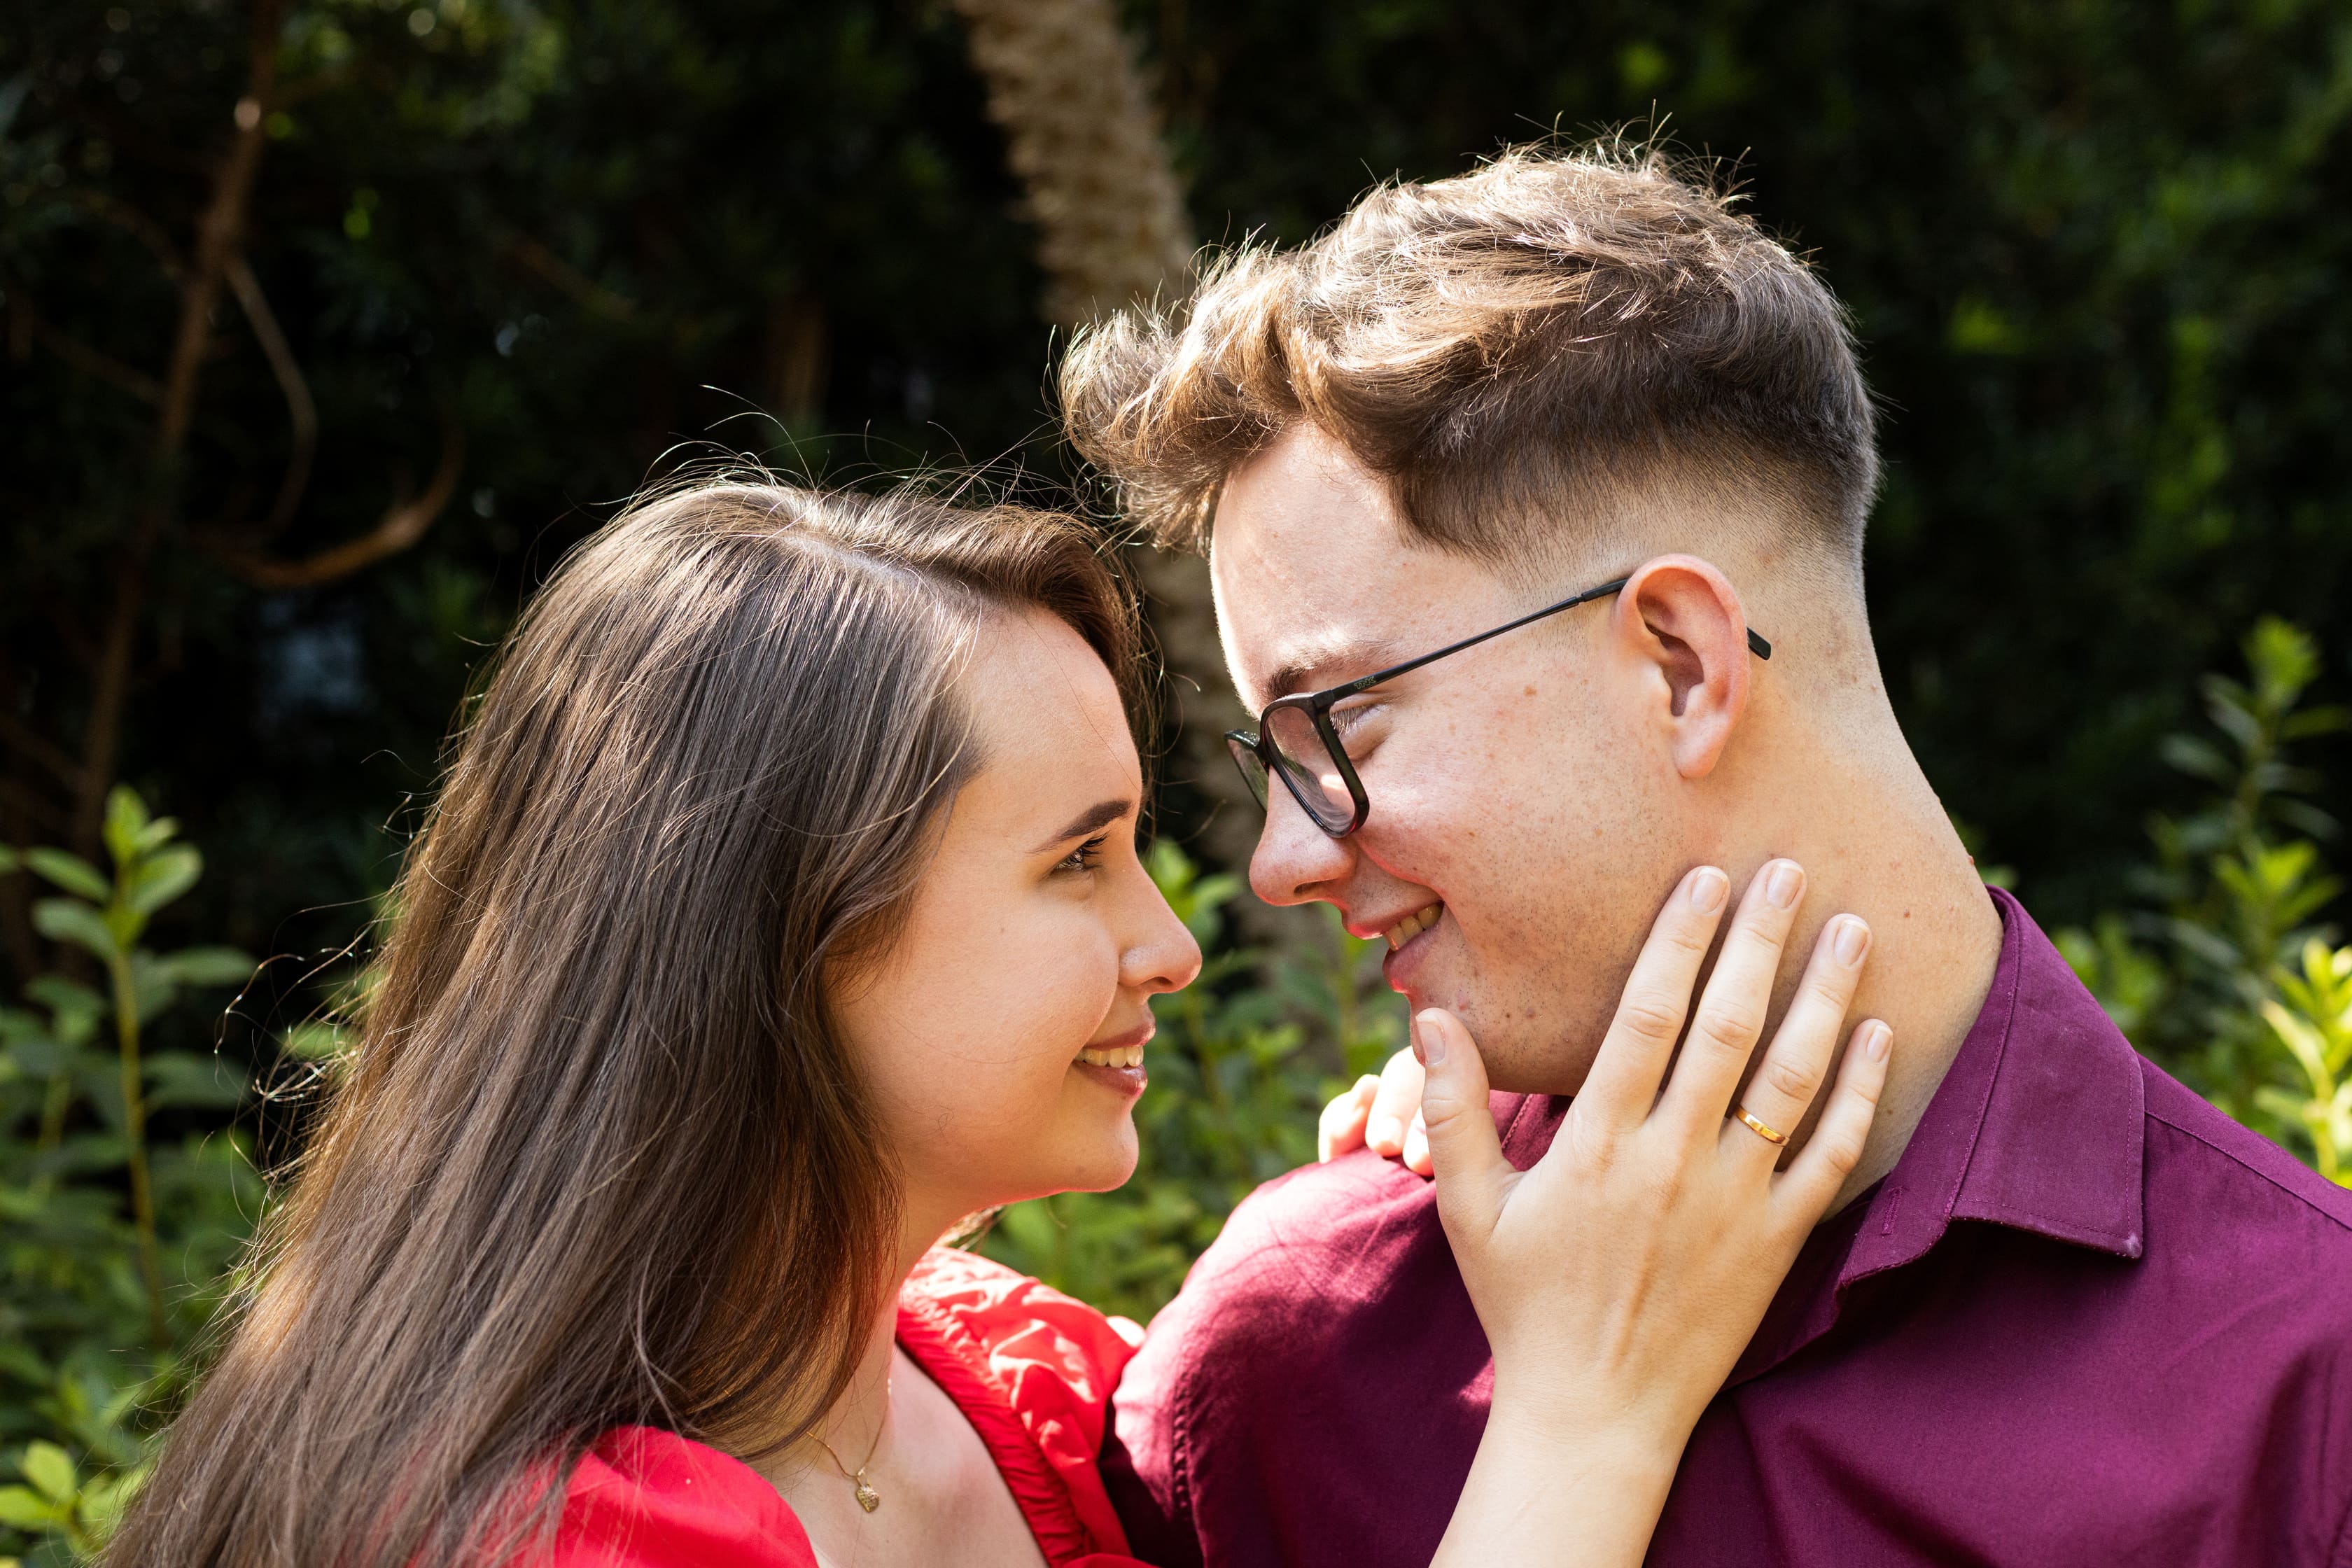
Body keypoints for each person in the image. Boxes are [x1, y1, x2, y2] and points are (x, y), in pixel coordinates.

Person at [103, 480, 1889, 1568]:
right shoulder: (528, 1532)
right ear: (790, 940)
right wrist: (1583, 1410)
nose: (1171, 943)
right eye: (1078, 863)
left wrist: (1412, 1213)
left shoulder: (1011, 1393)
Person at [1060, 142, 2352, 1567]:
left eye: (1337, 721)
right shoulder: (1292, 1363)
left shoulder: (2309, 1392)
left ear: (1680, 664)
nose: (1281, 865)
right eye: (1272, 754)